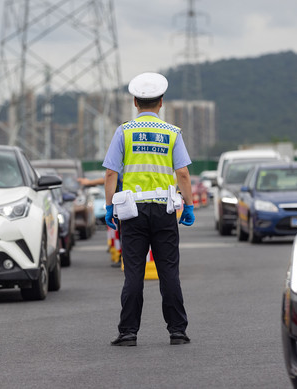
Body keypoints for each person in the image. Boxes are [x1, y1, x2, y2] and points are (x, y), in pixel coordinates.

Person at [103, 72, 195, 347]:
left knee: (133, 272)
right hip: (165, 210)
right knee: (168, 271)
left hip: (132, 213)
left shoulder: (124, 131)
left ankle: (128, 332)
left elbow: (110, 174)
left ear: (134, 102)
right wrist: (188, 206)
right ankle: (177, 331)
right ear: (161, 102)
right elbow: (183, 174)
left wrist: (110, 207)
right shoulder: (172, 133)